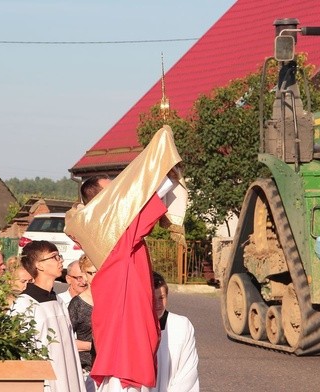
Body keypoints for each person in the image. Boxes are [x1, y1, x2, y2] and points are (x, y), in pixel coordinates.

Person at [65, 126, 187, 391]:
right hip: (124, 334)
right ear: (99, 201)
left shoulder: (108, 228)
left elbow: (138, 207)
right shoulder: (108, 231)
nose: (120, 195)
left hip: (124, 327)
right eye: (113, 192)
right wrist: (162, 161)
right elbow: (142, 210)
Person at [11, 240, 85, 392]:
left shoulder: (57, 300)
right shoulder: (25, 305)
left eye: (59, 256)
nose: (60, 261)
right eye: (54, 257)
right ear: (39, 265)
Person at [150, 272, 199, 392]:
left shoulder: (181, 326)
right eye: (153, 298)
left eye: (161, 298)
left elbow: (188, 372)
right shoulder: (136, 328)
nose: (158, 304)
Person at [68, 254, 97, 391]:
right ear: (84, 275)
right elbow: (66, 340)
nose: (97, 276)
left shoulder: (114, 300)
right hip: (87, 370)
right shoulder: (77, 304)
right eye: (92, 273)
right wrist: (92, 345)